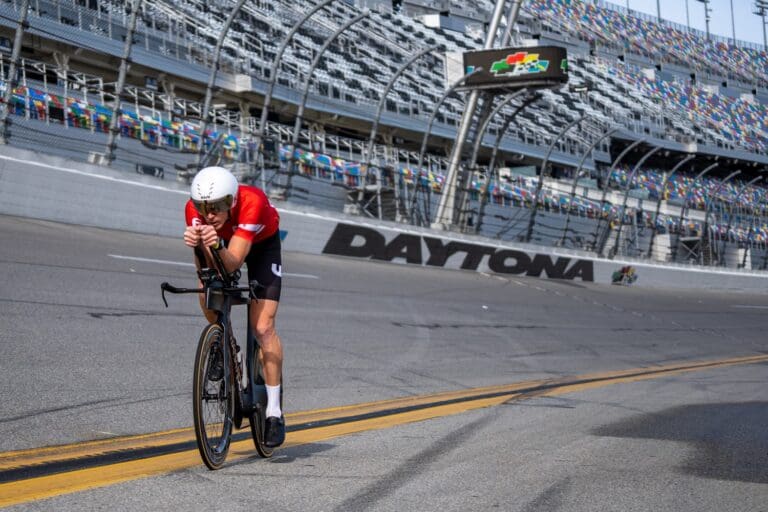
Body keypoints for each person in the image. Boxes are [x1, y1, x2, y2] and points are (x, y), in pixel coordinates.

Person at [182, 166, 285, 447]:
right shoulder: (195, 212)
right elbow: (205, 271)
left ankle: (274, 412)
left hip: (262, 245)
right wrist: (199, 246)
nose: (209, 214)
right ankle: (225, 346)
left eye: (217, 207)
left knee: (263, 327)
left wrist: (214, 245)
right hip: (224, 241)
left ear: (233, 201)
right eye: (203, 207)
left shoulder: (252, 203)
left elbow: (232, 262)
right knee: (206, 289)